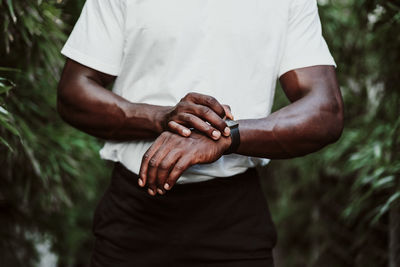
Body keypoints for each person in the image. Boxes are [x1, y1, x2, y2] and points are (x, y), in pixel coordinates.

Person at [57, 0, 344, 266]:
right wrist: (164, 118)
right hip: (133, 215)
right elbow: (73, 92)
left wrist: (226, 136)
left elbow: (326, 110)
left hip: (235, 222)